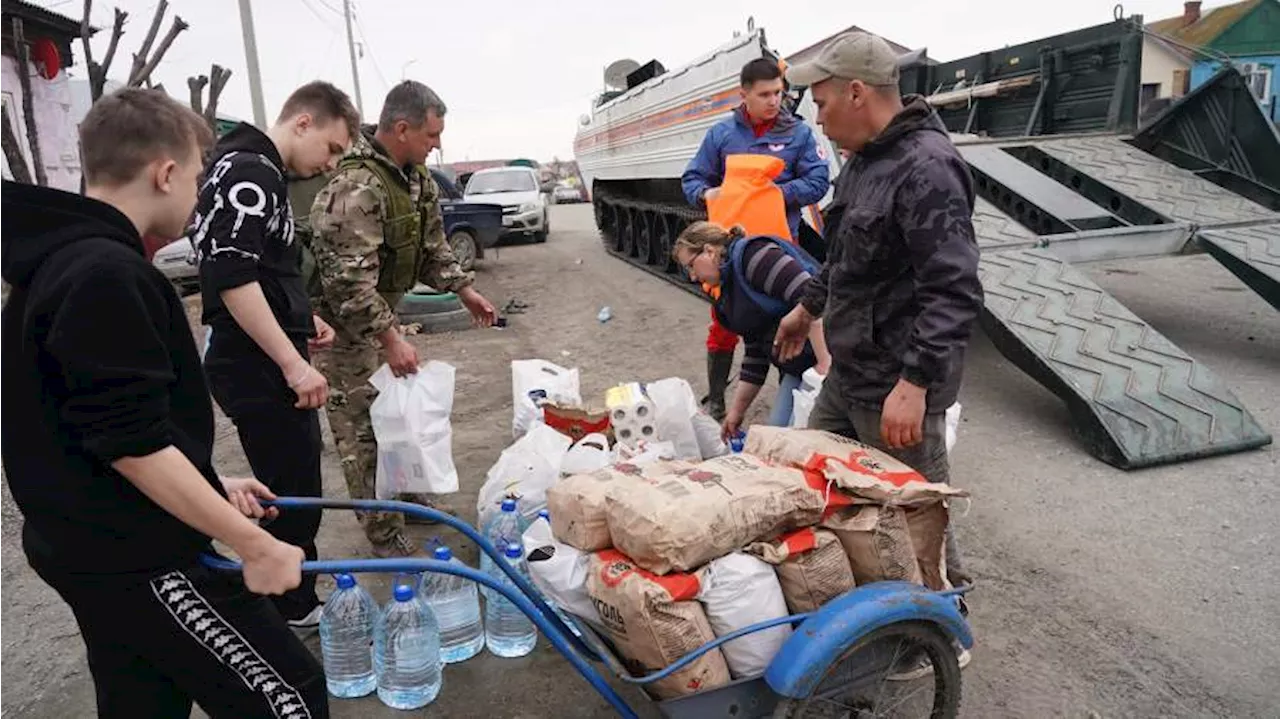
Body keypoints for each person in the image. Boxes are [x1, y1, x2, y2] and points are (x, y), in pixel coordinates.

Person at [0, 89, 325, 718]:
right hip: (134, 553)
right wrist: (255, 546)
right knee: (292, 698)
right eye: (200, 176)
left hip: (82, 543)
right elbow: (131, 443)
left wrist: (207, 479)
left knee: (144, 701)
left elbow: (89, 423)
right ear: (166, 172)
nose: (202, 193)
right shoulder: (105, 274)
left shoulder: (51, 266)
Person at [777, 32, 982, 595]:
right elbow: (845, 256)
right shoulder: (865, 163)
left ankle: (946, 621)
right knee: (816, 479)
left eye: (821, 103)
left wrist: (915, 382)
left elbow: (955, 289)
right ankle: (869, 602)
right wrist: (806, 308)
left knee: (916, 516)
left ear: (859, 93)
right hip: (850, 373)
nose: (817, 118)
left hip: (898, 384)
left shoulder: (928, 169)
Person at [193, 80, 360, 630]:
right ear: (303, 123)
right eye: (332, 149)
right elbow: (231, 273)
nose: (329, 164)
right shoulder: (252, 171)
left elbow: (257, 271)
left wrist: (299, 317)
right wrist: (292, 362)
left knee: (291, 480)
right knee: (290, 488)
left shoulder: (254, 169)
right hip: (257, 366)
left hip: (258, 354)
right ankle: (289, 605)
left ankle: (292, 585)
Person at [308, 80, 497, 558]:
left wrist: (465, 290)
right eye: (432, 134)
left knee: (400, 417)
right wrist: (391, 339)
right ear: (401, 128)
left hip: (380, 314)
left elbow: (432, 247)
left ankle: (409, 497)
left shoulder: (415, 180)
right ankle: (383, 534)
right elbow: (345, 283)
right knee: (362, 431)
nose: (438, 144)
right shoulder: (356, 187)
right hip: (341, 330)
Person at [681, 57, 831, 422]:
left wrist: (777, 194)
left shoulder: (797, 134)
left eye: (778, 92)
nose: (774, 101)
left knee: (788, 321)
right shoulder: (722, 135)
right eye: (764, 94)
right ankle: (717, 399)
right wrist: (708, 195)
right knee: (726, 326)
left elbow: (818, 181)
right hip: (728, 255)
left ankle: (794, 396)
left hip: (781, 250)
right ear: (744, 94)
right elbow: (691, 181)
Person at [672, 221, 831, 436]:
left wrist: (825, 368)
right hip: (800, 366)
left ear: (709, 251)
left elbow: (814, 301)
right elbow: (756, 353)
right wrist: (736, 413)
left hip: (834, 353)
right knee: (777, 436)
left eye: (690, 265)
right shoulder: (729, 294)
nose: (691, 276)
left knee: (800, 437)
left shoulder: (755, 258)